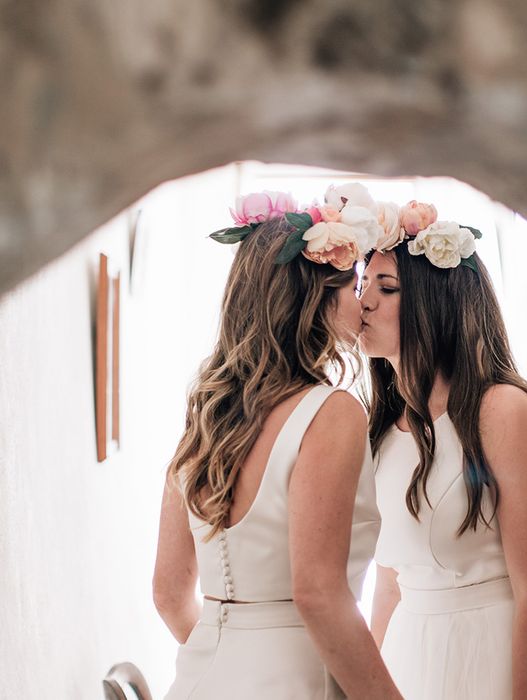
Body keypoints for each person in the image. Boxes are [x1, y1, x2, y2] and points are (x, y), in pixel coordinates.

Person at [358, 202, 527, 699]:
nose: (364, 301)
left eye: (387, 287)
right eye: (362, 284)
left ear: (436, 303)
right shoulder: (383, 428)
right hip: (412, 657)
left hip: (495, 654)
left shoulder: (503, 411)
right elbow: (390, 584)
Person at [153, 187, 402, 700]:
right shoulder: (331, 412)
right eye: (352, 286)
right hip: (296, 678)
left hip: (200, 679)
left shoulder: (207, 415)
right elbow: (318, 594)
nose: (361, 304)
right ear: (317, 298)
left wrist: (234, 657)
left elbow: (169, 594)